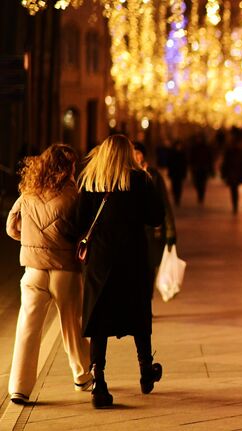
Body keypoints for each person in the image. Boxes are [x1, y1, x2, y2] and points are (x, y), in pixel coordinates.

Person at [76, 134, 165, 408]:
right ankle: (145, 370)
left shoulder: (90, 182)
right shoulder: (139, 180)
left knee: (99, 317)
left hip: (100, 261)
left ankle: (99, 382)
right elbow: (156, 217)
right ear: (127, 154)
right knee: (138, 313)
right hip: (132, 258)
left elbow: (78, 221)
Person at [6, 144, 92, 405]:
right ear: (67, 168)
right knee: (72, 325)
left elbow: (11, 227)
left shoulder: (27, 193)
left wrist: (30, 241)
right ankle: (82, 375)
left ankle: (19, 387)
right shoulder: (73, 196)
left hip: (33, 270)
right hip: (64, 269)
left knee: (28, 328)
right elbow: (81, 231)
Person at [133, 142, 176, 281]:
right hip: (133, 230)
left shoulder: (154, 175)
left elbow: (164, 203)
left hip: (151, 231)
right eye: (133, 153)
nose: (136, 157)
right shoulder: (126, 175)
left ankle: (147, 297)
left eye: (138, 153)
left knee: (149, 269)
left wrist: (170, 231)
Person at [220, 134, 242, 214]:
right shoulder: (231, 152)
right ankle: (235, 205)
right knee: (234, 190)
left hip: (240, 173)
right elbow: (226, 163)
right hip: (234, 173)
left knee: (238, 189)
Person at [188, 135, 214, 205]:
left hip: (204, 168)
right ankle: (199, 193)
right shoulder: (194, 148)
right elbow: (191, 158)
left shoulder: (206, 148)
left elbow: (209, 158)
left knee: (203, 183)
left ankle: (201, 196)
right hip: (197, 168)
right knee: (197, 183)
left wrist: (211, 169)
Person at [166, 140, 187, 206]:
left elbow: (184, 164)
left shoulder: (182, 154)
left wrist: (184, 173)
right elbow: (169, 164)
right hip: (174, 173)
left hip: (179, 173)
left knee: (179, 186)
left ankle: (178, 198)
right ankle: (175, 197)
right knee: (174, 186)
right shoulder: (172, 153)